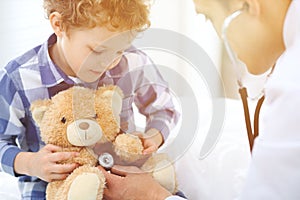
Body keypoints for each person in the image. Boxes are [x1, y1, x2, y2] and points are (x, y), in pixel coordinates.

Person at [99, 0, 300, 199]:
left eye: (208, 16)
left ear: (247, 5)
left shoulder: (293, 88)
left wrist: (152, 195)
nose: (219, 35)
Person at [0, 0, 179, 199]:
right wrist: (29, 163)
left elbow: (165, 109)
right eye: (97, 51)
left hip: (123, 179)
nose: (108, 62)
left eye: (119, 51)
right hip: (53, 190)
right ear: (59, 25)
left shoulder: (132, 61)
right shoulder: (18, 78)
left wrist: (153, 136)